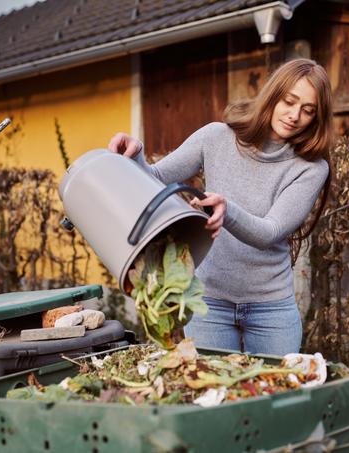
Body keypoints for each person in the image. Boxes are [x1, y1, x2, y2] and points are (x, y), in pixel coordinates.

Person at [108, 58, 333, 355]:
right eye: (289, 102)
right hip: (209, 302)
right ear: (273, 95)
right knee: (214, 395)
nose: (294, 115)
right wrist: (134, 155)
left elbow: (271, 231)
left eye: (308, 110)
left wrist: (228, 210)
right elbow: (157, 178)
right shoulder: (216, 137)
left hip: (271, 308)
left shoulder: (311, 168)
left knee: (273, 397)